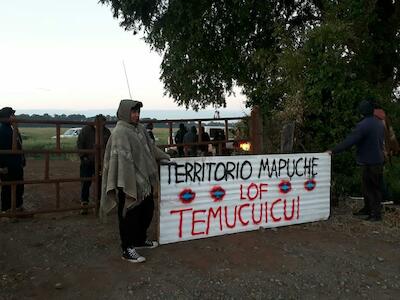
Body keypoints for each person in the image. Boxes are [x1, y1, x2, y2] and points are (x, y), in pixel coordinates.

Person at [100, 99, 170, 263]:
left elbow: (150, 148)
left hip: (143, 181)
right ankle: (127, 248)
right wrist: (127, 180)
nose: (136, 115)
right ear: (125, 112)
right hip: (126, 180)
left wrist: (165, 156)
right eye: (133, 112)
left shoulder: (140, 129)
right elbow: (121, 160)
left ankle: (139, 240)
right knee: (129, 213)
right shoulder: (120, 133)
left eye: (138, 112)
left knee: (147, 210)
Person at [328, 100, 385, 221]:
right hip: (378, 160)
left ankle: (375, 214)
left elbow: (350, 141)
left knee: (371, 188)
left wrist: (333, 150)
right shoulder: (379, 123)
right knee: (371, 187)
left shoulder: (363, 125)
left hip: (369, 161)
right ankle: (368, 209)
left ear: (362, 112)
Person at [77, 114, 111, 214]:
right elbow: (79, 144)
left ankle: (99, 203)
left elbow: (110, 146)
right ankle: (84, 203)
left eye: (102, 124)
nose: (100, 126)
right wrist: (83, 157)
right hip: (88, 162)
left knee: (101, 183)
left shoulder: (106, 132)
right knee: (86, 183)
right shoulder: (86, 130)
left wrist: (106, 159)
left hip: (101, 162)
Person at [0, 107, 25, 212]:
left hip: (16, 163)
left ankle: (18, 207)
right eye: (12, 115)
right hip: (7, 164)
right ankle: (6, 210)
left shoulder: (12, 128)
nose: (14, 117)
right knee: (7, 188)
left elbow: (19, 143)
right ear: (7, 116)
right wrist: (1, 166)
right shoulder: (2, 130)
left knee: (19, 186)